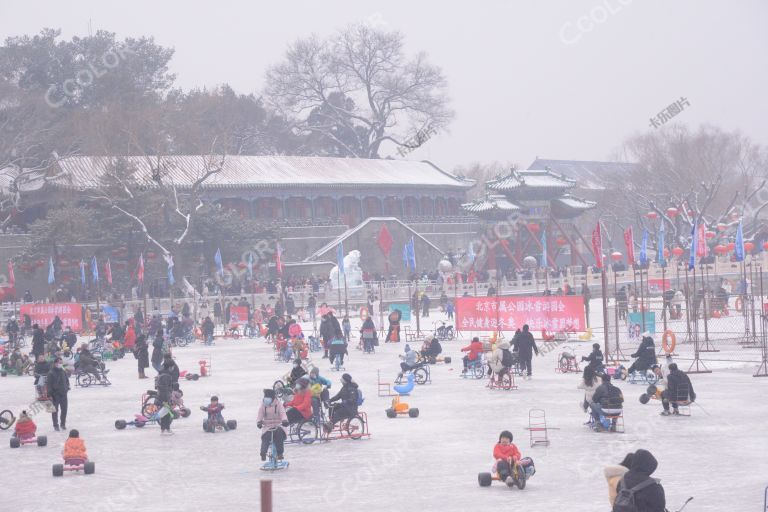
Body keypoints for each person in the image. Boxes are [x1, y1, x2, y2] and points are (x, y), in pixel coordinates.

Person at [257, 389, 288, 461]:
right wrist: (259, 422)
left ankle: (280, 453)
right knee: (265, 437)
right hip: (267, 426)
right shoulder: (263, 405)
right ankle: (263, 453)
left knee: (279, 436)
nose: (266, 399)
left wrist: (284, 420)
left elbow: (282, 413)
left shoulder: (278, 404)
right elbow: (260, 415)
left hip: (278, 425)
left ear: (272, 398)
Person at [47, 357, 70, 431]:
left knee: (64, 410)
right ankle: (55, 425)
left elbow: (67, 380)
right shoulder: (51, 373)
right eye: (59, 362)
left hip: (63, 393)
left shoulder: (63, 371)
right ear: (55, 363)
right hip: (55, 395)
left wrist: (67, 388)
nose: (60, 364)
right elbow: (49, 385)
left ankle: (63, 424)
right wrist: (50, 395)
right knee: (54, 411)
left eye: (61, 362)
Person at [156, 362, 174, 435]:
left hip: (162, 396)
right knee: (166, 414)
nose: (173, 369)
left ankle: (165, 429)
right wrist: (166, 400)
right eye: (172, 367)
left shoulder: (162, 374)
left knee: (165, 413)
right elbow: (165, 388)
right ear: (169, 368)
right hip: (165, 397)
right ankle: (165, 429)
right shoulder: (166, 376)